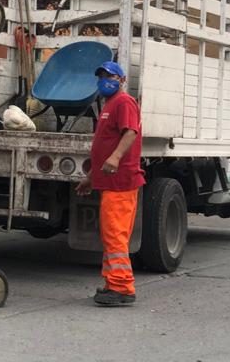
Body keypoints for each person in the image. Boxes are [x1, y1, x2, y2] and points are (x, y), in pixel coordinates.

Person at [76, 60, 145, 306]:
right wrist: (91, 178)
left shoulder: (124, 102)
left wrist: (115, 157)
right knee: (112, 235)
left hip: (121, 182)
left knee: (115, 235)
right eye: (102, 75)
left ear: (121, 80)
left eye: (110, 76)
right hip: (110, 182)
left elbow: (130, 132)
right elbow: (104, 144)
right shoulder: (109, 105)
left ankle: (122, 288)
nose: (105, 79)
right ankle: (113, 284)